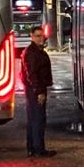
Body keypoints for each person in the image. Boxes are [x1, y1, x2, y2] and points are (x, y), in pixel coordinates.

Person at [21, 27, 56, 157]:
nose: (41, 38)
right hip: (35, 89)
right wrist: (39, 91)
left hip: (35, 88)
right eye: (37, 36)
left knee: (33, 119)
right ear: (32, 37)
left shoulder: (36, 51)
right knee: (38, 119)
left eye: (42, 36)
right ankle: (38, 149)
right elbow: (32, 74)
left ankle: (32, 148)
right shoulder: (32, 53)